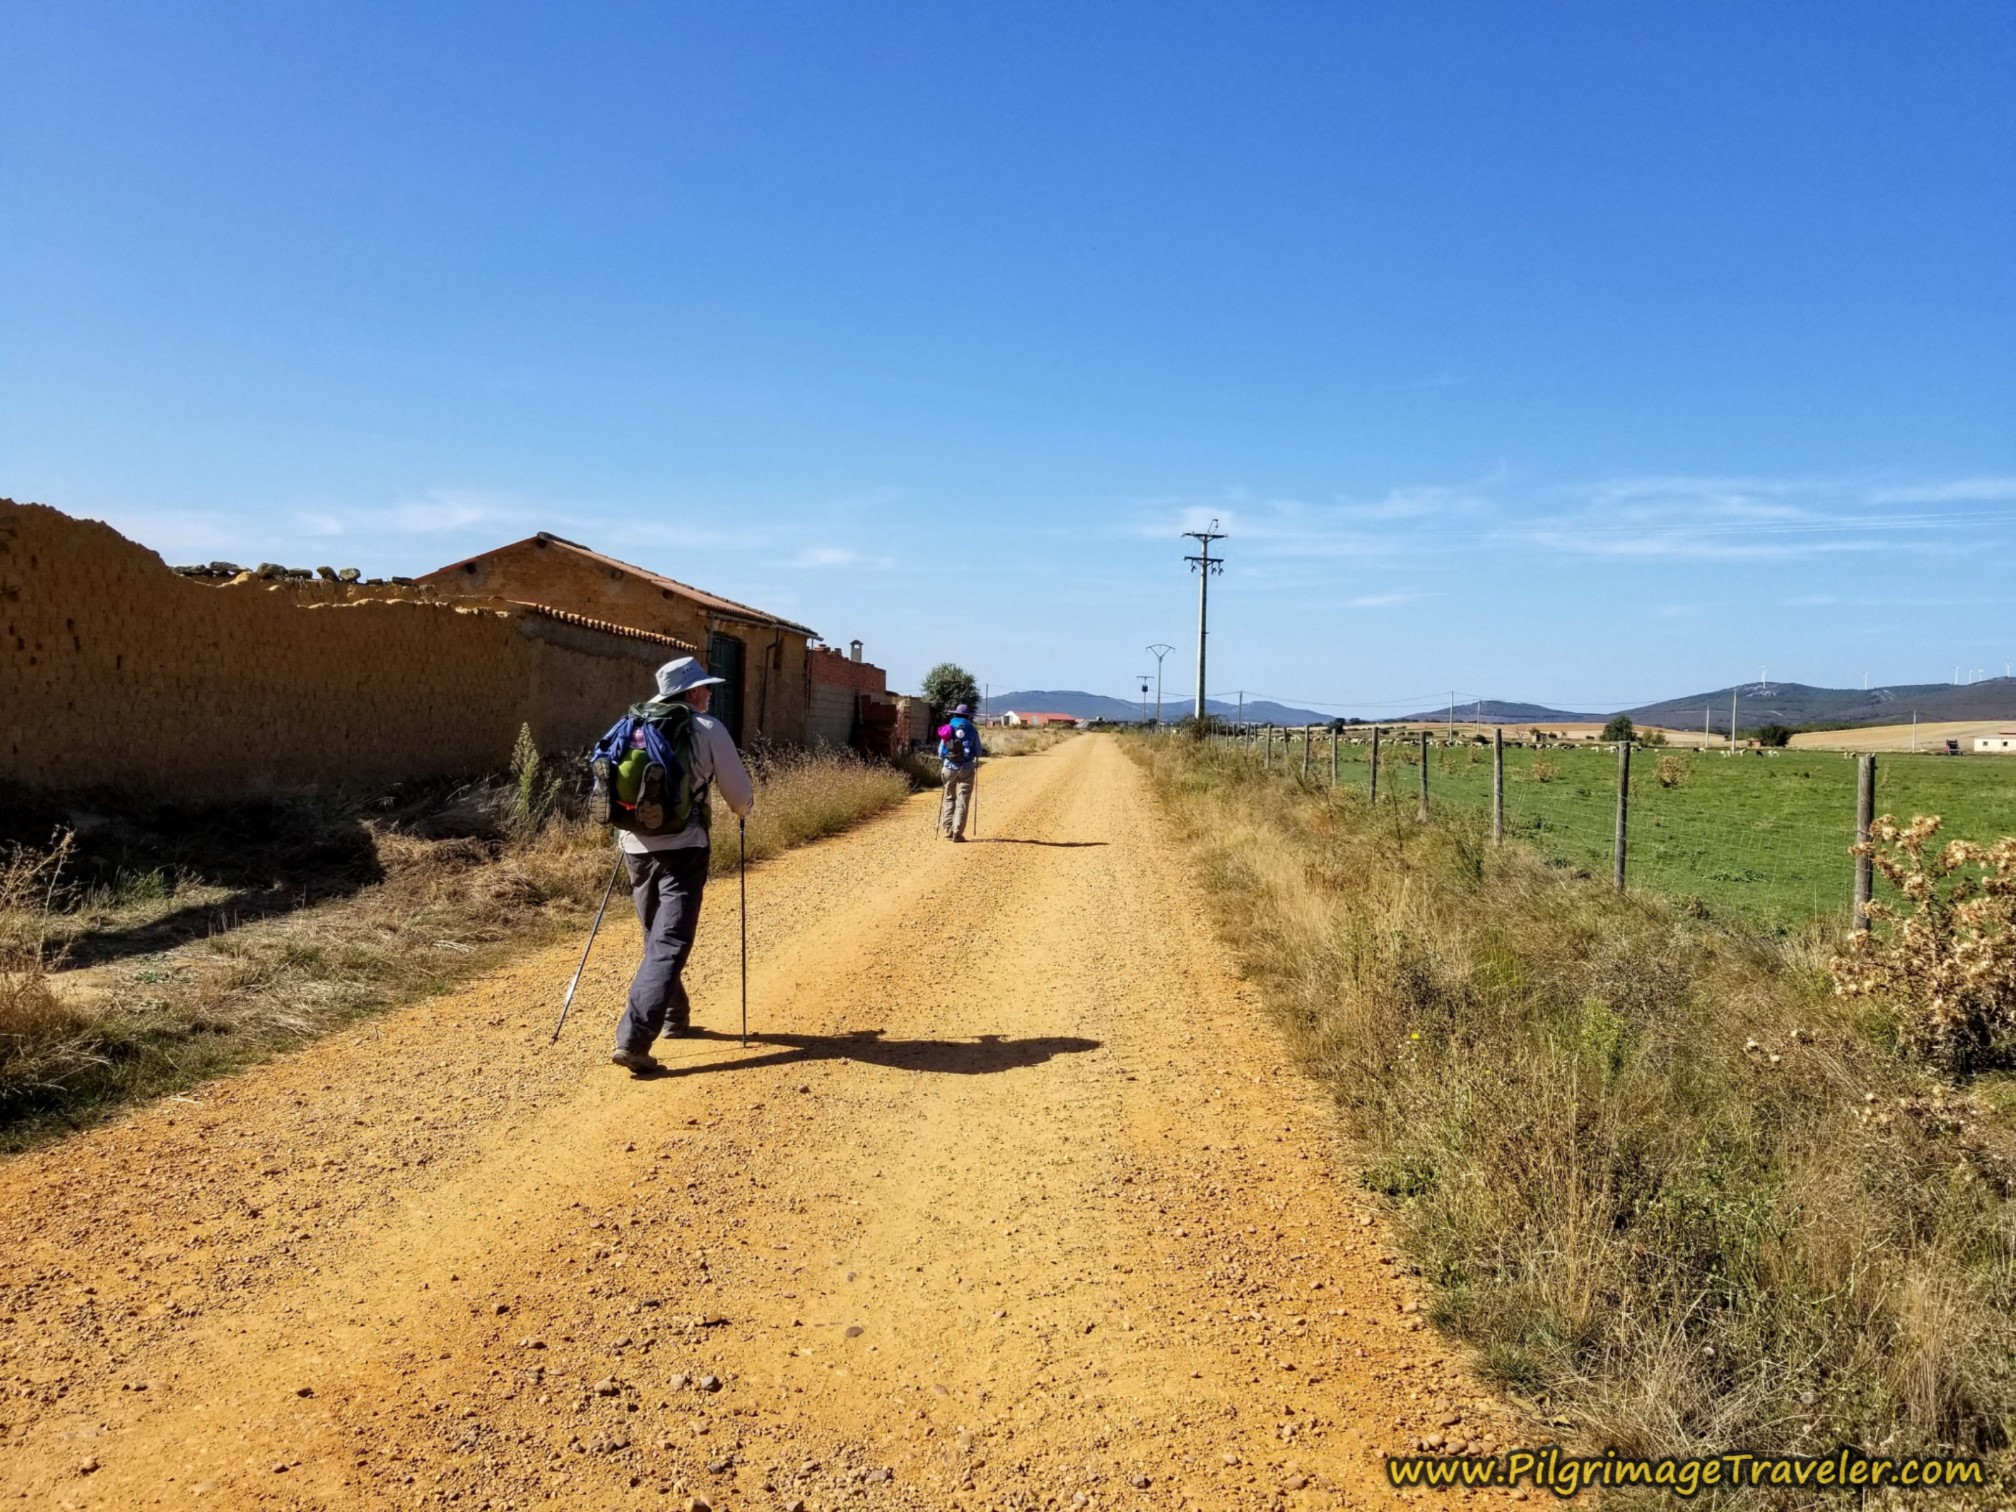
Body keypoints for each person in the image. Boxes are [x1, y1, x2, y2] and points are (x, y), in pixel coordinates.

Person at [610, 656, 755, 1074]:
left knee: (657, 934)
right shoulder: (707, 728)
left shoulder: (633, 723)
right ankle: (634, 1041)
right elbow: (740, 796)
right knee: (670, 941)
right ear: (691, 693)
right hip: (684, 847)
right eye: (705, 688)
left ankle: (674, 1016)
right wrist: (745, 809)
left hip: (635, 845)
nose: (710, 693)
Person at [937, 702, 983, 841]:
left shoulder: (948, 728)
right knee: (963, 800)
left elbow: (940, 752)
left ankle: (947, 830)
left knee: (950, 797)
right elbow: (979, 752)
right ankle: (957, 832)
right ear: (968, 717)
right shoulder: (972, 730)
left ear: (955, 714)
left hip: (949, 768)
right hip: (966, 768)